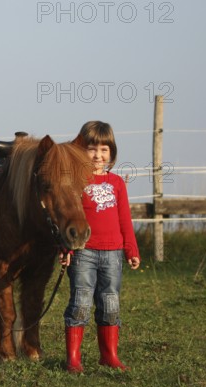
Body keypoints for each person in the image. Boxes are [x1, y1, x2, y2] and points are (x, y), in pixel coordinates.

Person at [59, 121, 140, 373]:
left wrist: (131, 250)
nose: (98, 155)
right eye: (92, 149)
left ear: (111, 153)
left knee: (110, 303)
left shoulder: (117, 183)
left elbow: (124, 219)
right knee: (81, 302)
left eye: (104, 150)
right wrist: (66, 249)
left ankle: (109, 356)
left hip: (113, 253)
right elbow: (68, 219)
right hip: (84, 252)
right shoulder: (75, 182)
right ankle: (73, 359)